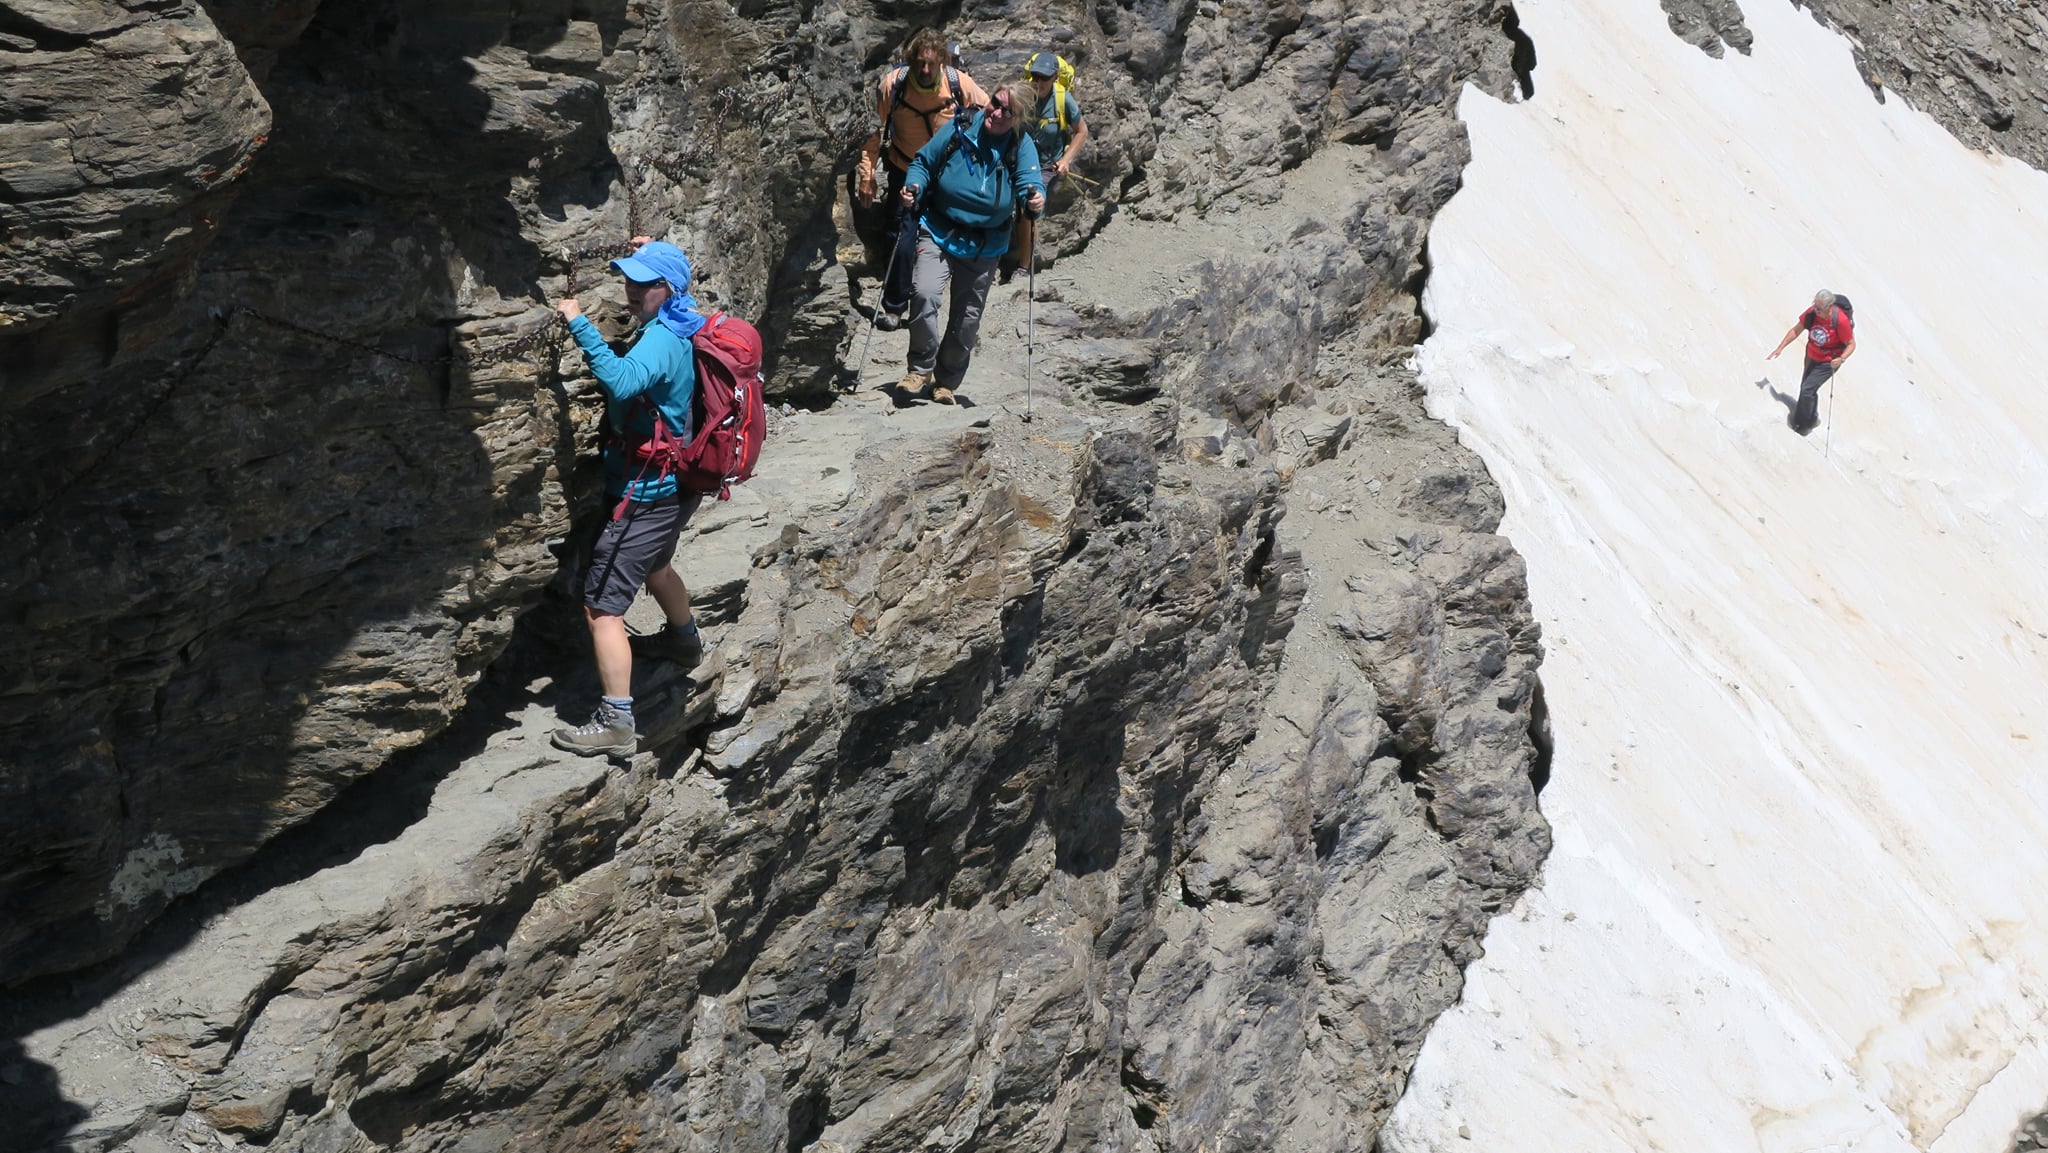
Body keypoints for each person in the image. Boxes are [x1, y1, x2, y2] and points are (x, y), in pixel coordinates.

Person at [550, 239, 710, 757]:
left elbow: (620, 380)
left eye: (645, 282)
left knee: (602, 609)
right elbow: (673, 273)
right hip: (674, 485)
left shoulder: (662, 339)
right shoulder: (684, 319)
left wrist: (578, 323)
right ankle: (684, 641)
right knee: (657, 566)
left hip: (644, 494)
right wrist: (658, 250)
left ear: (669, 290)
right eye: (631, 279)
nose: (632, 289)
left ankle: (617, 722)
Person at [898, 81, 1046, 404]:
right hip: (939, 229)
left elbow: (1030, 183)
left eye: (1008, 112)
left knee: (967, 319)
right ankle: (919, 369)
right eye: (996, 102)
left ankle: (946, 382)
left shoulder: (1020, 145)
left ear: (1018, 119)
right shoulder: (960, 126)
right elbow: (924, 163)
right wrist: (914, 185)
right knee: (924, 294)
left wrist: (1034, 199)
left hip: (985, 245)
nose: (997, 112)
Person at [855, 28, 989, 332]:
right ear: (910, 61)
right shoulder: (894, 85)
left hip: (948, 174)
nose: (925, 70)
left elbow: (989, 115)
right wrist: (868, 175)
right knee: (900, 236)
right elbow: (873, 132)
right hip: (906, 168)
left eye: (931, 63)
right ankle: (894, 306)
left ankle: (942, 303)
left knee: (956, 237)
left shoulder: (957, 83)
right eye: (919, 63)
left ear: (942, 60)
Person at [999, 49, 1090, 283]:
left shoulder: (1062, 98)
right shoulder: (1024, 94)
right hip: (1018, 159)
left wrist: (1066, 160)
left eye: (1044, 78)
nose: (1038, 82)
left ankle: (1024, 266)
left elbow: (1081, 131)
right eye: (1035, 76)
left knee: (1026, 209)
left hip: (1047, 166)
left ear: (1055, 78)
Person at [1767, 289, 1856, 434]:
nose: (1815, 310)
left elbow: (1851, 344)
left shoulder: (1840, 321)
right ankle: (1812, 418)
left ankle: (1801, 425)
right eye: (1814, 305)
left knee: (1807, 390)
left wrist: (1842, 359)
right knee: (1807, 388)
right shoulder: (1812, 313)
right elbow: (1796, 330)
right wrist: (1780, 348)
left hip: (1829, 362)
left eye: (1819, 308)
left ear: (1829, 307)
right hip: (1812, 355)